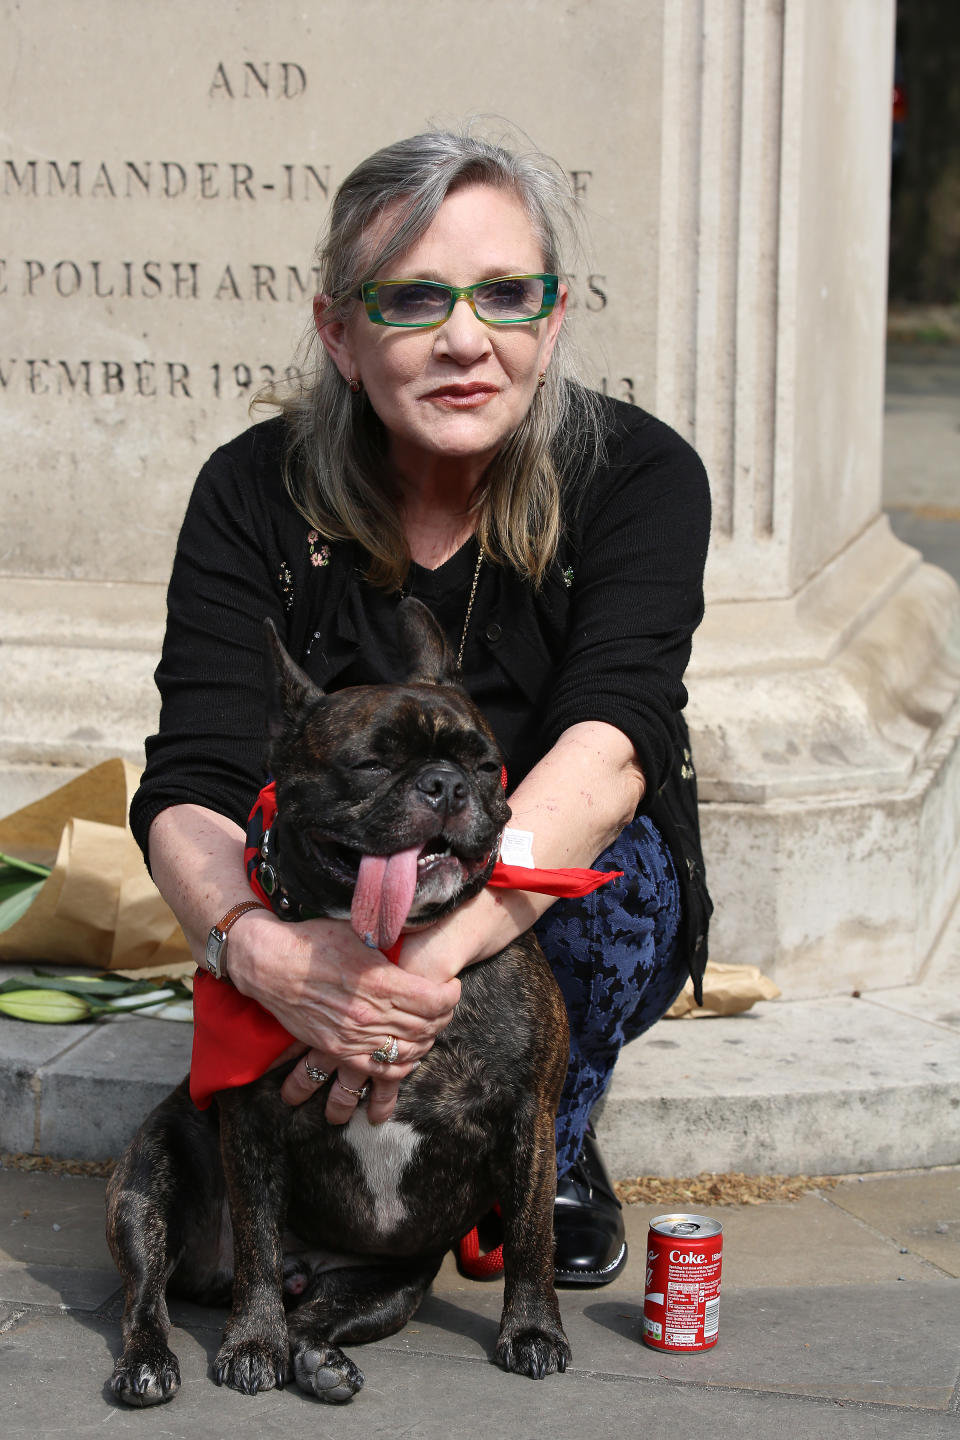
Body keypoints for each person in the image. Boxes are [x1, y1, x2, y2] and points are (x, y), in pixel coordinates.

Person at [130, 128, 712, 1287]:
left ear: (551, 322)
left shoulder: (638, 475)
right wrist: (268, 957)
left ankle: (548, 1138)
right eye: (413, 300)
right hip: (329, 877)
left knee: (611, 883)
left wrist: (411, 986)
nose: (465, 338)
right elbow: (191, 776)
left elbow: (611, 742)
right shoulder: (253, 490)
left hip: (538, 889)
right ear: (339, 334)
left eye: (506, 293)